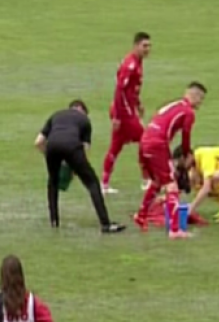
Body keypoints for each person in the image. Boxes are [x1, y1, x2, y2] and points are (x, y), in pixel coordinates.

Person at [34, 100, 124, 233]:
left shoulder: (56, 115)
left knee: (53, 182)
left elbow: (38, 142)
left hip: (52, 145)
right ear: (82, 110)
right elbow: (85, 151)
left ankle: (54, 221)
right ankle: (105, 224)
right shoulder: (84, 120)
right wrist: (75, 169)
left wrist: (49, 155)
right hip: (72, 146)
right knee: (92, 182)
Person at [134, 82, 207, 238]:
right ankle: (175, 230)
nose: (200, 103)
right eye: (201, 99)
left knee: (157, 182)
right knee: (171, 186)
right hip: (157, 145)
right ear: (195, 96)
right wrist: (187, 153)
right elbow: (185, 136)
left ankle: (141, 215)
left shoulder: (173, 105)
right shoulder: (188, 112)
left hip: (145, 140)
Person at [102, 31, 152, 195]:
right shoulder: (130, 65)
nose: (147, 49)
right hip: (124, 112)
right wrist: (117, 116)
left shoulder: (137, 62)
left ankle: (104, 183)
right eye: (144, 46)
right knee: (146, 140)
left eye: (149, 46)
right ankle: (146, 179)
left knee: (116, 145)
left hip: (126, 109)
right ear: (136, 46)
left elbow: (131, 89)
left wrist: (139, 103)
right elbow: (120, 90)